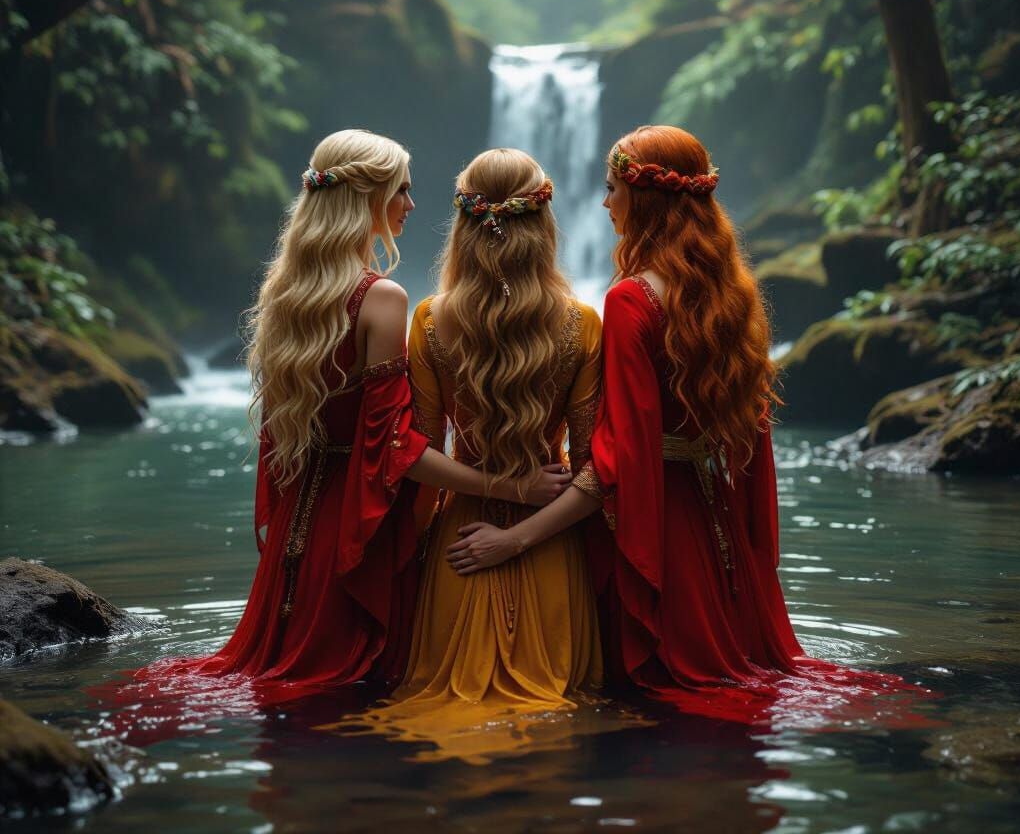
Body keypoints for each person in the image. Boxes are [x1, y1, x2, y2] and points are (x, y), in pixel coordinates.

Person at [447, 125, 927, 725]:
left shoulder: (630, 302)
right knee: (746, 670)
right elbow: (749, 432)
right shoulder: (730, 293)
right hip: (715, 508)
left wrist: (515, 538)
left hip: (660, 522)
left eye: (612, 188)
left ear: (642, 199)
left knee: (670, 689)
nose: (603, 204)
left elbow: (618, 460)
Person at [104, 131, 571, 714]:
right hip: (355, 519)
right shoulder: (383, 299)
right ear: (370, 200)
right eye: (403, 189)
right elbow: (399, 449)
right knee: (344, 682)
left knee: (276, 668)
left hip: (300, 515)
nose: (412, 204)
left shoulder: (286, 294)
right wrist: (508, 487)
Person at [331, 148, 609, 762]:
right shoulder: (584, 323)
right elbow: (598, 475)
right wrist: (519, 535)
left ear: (463, 225)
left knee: (436, 708)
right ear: (545, 226)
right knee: (560, 721)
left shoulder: (431, 320)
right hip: (552, 539)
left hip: (461, 540)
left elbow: (413, 452)